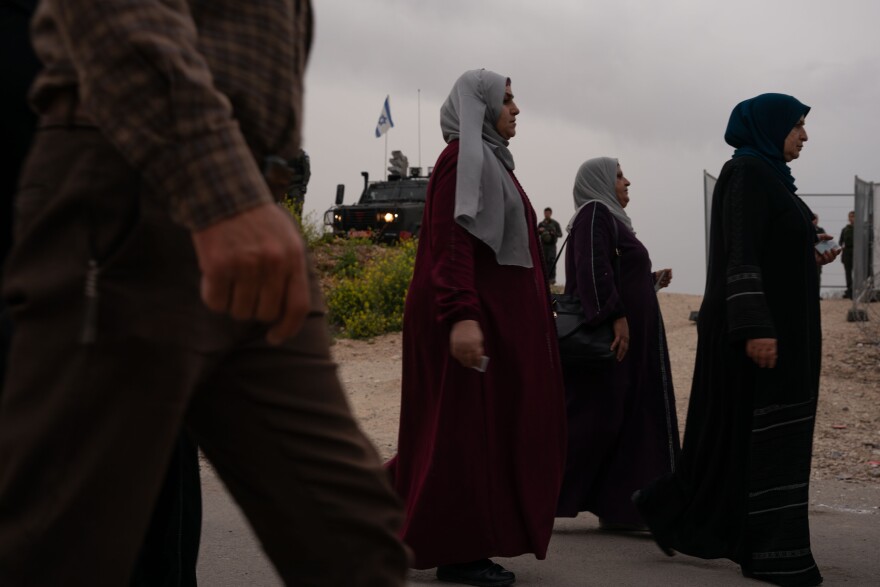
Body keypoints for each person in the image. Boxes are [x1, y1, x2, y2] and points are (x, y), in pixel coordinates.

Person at [0, 2, 410, 586]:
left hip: (246, 201)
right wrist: (225, 195)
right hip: (133, 183)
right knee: (63, 548)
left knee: (354, 545)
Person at [633, 93, 839, 587]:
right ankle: (772, 551)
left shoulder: (775, 179)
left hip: (782, 331)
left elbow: (777, 250)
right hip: (757, 333)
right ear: (770, 128)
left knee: (730, 440)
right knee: (757, 436)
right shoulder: (747, 173)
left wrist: (813, 255)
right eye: (797, 127)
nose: (804, 137)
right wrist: (755, 328)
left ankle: (668, 507)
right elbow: (740, 255)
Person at [387, 69, 567, 587]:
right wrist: (462, 315)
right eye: (506, 101)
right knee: (463, 437)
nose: (515, 110)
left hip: (484, 323)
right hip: (463, 323)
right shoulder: (461, 160)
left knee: (459, 433)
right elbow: (450, 243)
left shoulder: (488, 161)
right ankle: (459, 551)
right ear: (481, 106)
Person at [555, 157, 679, 531]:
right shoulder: (595, 212)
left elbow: (613, 270)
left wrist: (649, 280)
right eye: (619, 176)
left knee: (622, 420)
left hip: (625, 344)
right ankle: (534, 493)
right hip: (612, 344)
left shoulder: (610, 219)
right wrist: (614, 316)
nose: (627, 182)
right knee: (594, 420)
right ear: (600, 182)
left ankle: (621, 507)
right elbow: (593, 269)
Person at [537, 207, 563, 284]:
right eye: (545, 213)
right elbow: (535, 233)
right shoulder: (541, 224)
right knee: (543, 262)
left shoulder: (555, 224)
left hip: (552, 246)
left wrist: (553, 233)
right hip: (543, 246)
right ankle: (544, 280)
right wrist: (539, 230)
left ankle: (552, 280)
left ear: (551, 213)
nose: (546, 214)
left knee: (551, 262)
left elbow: (560, 234)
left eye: (548, 213)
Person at [840, 210, 855, 298]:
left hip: (856, 252)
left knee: (857, 272)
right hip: (847, 252)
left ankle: (856, 289)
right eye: (850, 216)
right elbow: (840, 242)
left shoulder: (860, 229)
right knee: (848, 272)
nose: (852, 218)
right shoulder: (845, 229)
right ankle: (849, 290)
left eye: (853, 216)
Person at [812, 214, 825, 293]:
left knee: (817, 275)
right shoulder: (806, 229)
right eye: (813, 219)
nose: (815, 221)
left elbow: (825, 242)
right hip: (808, 255)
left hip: (818, 255)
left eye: (816, 219)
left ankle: (817, 293)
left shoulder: (821, 230)